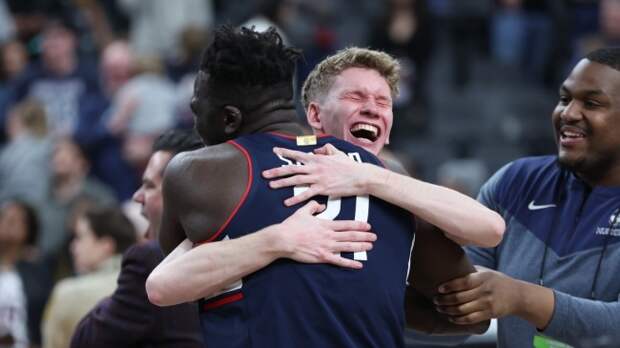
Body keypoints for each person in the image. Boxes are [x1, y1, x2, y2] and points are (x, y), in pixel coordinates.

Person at [146, 26, 500, 347]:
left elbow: (173, 286)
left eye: (383, 101)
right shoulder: (389, 176)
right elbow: (470, 312)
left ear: (228, 118)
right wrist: (368, 294)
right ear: (312, 112)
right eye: (356, 98)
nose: (372, 110)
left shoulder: (199, 172)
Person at [416, 47, 620, 347]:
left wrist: (521, 298)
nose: (569, 113)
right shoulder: (516, 182)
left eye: (591, 103)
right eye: (564, 99)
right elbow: (458, 309)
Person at [70, 129, 204, 347]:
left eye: (150, 186)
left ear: (184, 192)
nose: (137, 196)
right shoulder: (244, 246)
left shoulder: (148, 260)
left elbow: (85, 340)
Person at [42, 206, 136, 348]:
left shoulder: (67, 292)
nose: (73, 247)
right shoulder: (150, 288)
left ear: (106, 245)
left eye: (80, 237)